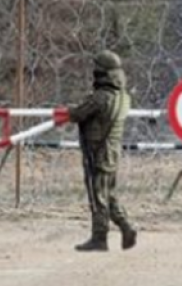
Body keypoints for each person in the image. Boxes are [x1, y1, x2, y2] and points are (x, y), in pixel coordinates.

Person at [54, 50, 137, 252]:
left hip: (97, 151)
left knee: (98, 195)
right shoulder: (123, 97)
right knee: (108, 193)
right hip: (111, 151)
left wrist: (67, 111)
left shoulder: (101, 97)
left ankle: (100, 237)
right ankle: (125, 226)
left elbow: (78, 114)